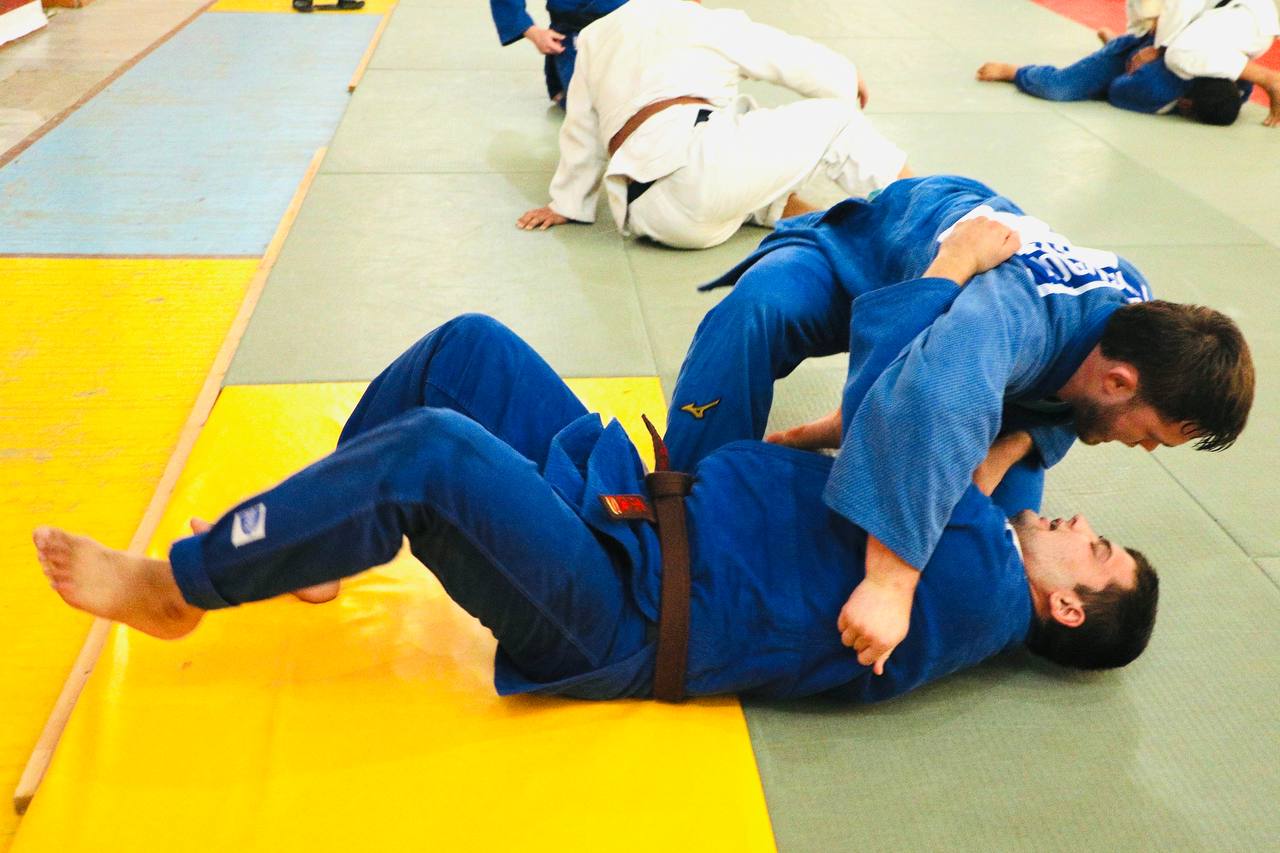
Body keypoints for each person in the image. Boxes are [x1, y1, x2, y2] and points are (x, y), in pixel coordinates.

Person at [34, 300, 1160, 704]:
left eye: (1095, 548)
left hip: (619, 611)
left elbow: (928, 418)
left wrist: (957, 281)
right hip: (632, 517)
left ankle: (178, 590)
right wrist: (1043, 423)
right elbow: (977, 461)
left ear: (1065, 607)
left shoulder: (971, 594)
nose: (1075, 523)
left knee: (431, 452)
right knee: (467, 351)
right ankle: (316, 544)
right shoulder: (967, 547)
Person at [665, 174, 1252, 672]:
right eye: (1151, 434)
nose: (1145, 448)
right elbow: (902, 394)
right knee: (757, 309)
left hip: (974, 336)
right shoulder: (1001, 330)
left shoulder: (1138, 314)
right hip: (873, 257)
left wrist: (1010, 446)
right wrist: (890, 583)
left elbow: (1074, 410)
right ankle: (682, 501)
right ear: (1119, 383)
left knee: (1001, 549)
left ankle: (838, 454)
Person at [515, 0, 911, 250]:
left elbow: (581, 131)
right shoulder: (702, 20)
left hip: (651, 217)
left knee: (740, 130)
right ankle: (932, 213)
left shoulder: (595, 36)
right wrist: (847, 76)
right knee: (839, 123)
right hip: (700, 179)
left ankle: (831, 231)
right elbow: (793, 61)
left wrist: (567, 204)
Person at [976, 0, 1280, 126]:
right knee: (1061, 87)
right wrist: (1155, 42)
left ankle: (1270, 79)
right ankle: (1017, 72)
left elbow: (1179, 10)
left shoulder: (1232, 87)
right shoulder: (1235, 85)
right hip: (1186, 36)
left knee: (1174, 64)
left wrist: (1160, 47)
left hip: (1214, 30)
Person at [488, 0, 628, 106]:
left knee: (632, 100)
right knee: (592, 107)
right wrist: (532, 32)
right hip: (574, 32)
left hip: (628, 27)